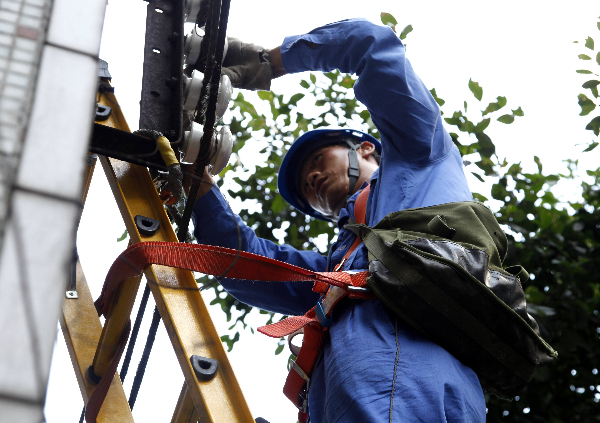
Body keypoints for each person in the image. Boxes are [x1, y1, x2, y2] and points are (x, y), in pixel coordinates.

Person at [190, 18, 486, 422]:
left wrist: (269, 62)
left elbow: (371, 44)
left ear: (365, 149)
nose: (311, 180)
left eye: (317, 160)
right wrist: (199, 183)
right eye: (307, 193)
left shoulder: (418, 155)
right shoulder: (340, 272)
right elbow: (244, 263)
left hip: (410, 382)